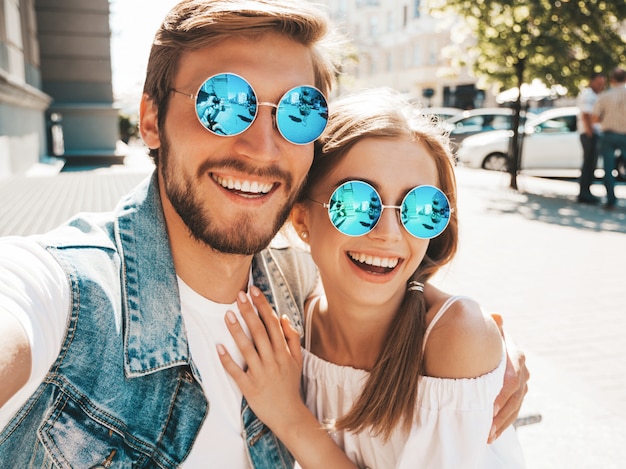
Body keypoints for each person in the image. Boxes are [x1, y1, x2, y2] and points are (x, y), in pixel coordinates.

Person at [0, 1, 527, 467]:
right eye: (223, 103)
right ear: (152, 119)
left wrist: (485, 349)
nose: (262, 148)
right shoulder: (64, 292)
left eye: (299, 114)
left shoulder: (298, 284)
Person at [219, 89, 526, 468]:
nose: (389, 233)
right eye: (356, 204)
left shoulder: (456, 336)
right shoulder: (298, 314)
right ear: (301, 220)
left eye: (421, 208)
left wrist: (291, 418)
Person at [593, 66, 626, 210]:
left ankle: (611, 201)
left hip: (608, 134)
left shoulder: (605, 96)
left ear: (612, 79)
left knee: (608, 168)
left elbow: (594, 119)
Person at [576, 71, 606, 204]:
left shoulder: (595, 94)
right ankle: (584, 194)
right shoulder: (588, 94)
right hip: (590, 134)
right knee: (588, 164)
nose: (601, 86)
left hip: (593, 133)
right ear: (592, 81)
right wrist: (590, 133)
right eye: (599, 83)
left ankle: (586, 192)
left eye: (602, 84)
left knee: (591, 164)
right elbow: (585, 115)